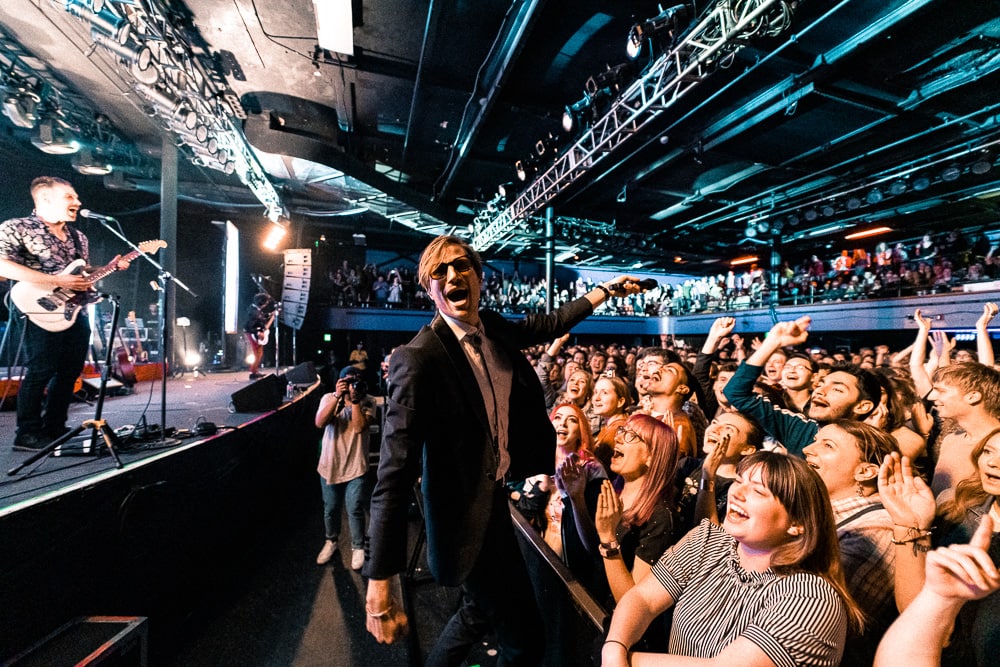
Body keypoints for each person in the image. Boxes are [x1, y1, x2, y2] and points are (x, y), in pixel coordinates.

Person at [362, 234, 646, 665]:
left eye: (462, 266)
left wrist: (604, 291)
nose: (453, 276)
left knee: (492, 617)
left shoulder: (492, 326)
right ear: (428, 287)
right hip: (462, 520)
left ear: (478, 277)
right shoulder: (418, 358)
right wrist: (380, 581)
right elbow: (393, 472)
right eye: (440, 271)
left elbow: (547, 325)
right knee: (524, 637)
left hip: (494, 499)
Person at [601, 451, 861, 666]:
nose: (737, 493)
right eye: (739, 480)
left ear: (796, 523)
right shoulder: (708, 541)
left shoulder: (811, 597)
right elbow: (643, 599)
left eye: (758, 491)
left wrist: (621, 659)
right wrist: (614, 646)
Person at [0, 176, 128, 452]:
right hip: (35, 307)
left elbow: (79, 273)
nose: (78, 202)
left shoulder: (78, 236)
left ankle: (54, 427)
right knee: (41, 369)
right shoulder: (17, 227)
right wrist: (57, 282)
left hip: (72, 310)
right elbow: (2, 266)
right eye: (69, 196)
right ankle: (27, 433)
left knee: (70, 371)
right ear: (45, 199)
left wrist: (106, 269)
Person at [314, 365, 376, 570]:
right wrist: (337, 397)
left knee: (355, 507)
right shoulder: (328, 398)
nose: (352, 386)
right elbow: (320, 422)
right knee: (330, 509)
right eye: (348, 381)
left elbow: (359, 428)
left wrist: (355, 401)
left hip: (356, 465)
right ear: (340, 382)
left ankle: (357, 546)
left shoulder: (368, 402)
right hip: (330, 464)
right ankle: (331, 541)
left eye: (356, 381)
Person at [243, 292, 277, 380]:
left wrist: (270, 315)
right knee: (257, 353)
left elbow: (260, 317)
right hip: (253, 333)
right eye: (265, 303)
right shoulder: (254, 312)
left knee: (259, 352)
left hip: (253, 332)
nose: (266, 305)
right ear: (262, 302)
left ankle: (254, 371)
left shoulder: (254, 309)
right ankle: (253, 372)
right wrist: (258, 332)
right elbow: (251, 325)